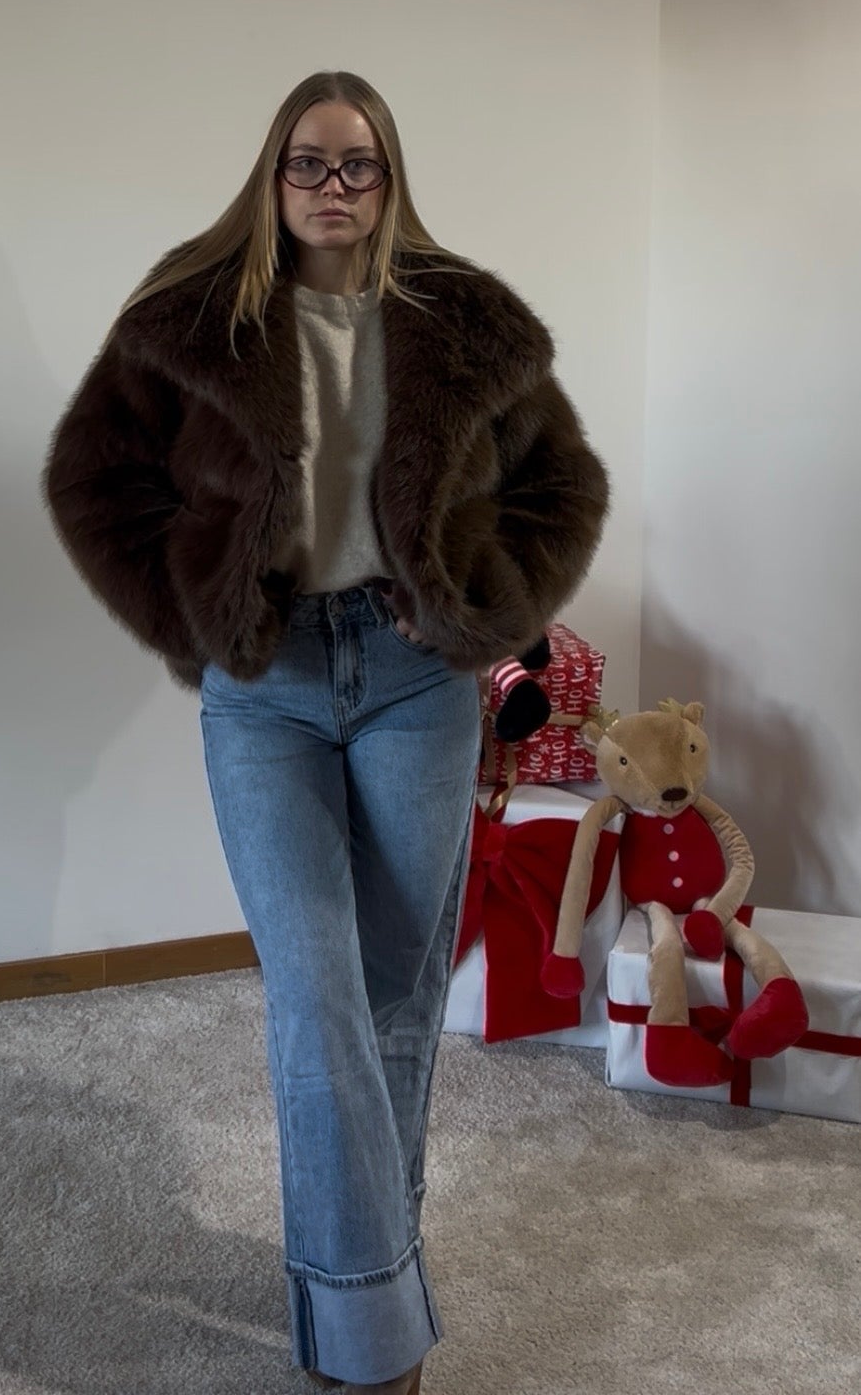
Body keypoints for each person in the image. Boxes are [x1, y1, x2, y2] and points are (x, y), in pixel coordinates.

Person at [42, 69, 610, 1394]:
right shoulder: (194, 314)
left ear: (389, 177)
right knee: (314, 994)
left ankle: (368, 1276)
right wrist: (199, 617)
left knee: (398, 996)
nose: (333, 187)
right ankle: (369, 1324)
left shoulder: (464, 320)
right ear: (273, 172)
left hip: (415, 680)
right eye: (309, 162)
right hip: (269, 685)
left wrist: (477, 609)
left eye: (359, 164)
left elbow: (561, 488)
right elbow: (93, 480)